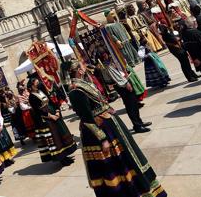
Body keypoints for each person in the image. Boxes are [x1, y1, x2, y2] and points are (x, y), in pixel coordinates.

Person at [68, 66, 167, 197]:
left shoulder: (84, 83)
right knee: (116, 164)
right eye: (81, 66)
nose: (84, 68)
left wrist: (107, 107)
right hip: (100, 130)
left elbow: (98, 101)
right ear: (78, 70)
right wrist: (102, 138)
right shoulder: (76, 90)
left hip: (110, 125)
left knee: (129, 157)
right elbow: (86, 118)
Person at [97, 51, 152, 133]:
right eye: (104, 54)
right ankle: (137, 126)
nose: (107, 54)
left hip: (122, 85)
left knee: (134, 104)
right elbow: (117, 78)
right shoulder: (106, 65)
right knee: (131, 106)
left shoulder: (108, 63)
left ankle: (139, 122)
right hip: (122, 86)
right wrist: (126, 84)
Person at [28, 77, 77, 166]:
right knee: (55, 138)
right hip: (46, 118)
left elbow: (51, 102)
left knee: (62, 133)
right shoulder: (31, 97)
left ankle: (66, 154)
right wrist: (51, 116)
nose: (39, 84)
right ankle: (62, 158)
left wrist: (57, 111)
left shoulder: (41, 91)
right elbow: (38, 111)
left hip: (54, 113)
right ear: (32, 86)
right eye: (36, 83)